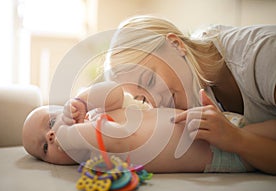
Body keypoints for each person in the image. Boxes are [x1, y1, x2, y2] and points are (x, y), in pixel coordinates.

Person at [102, 15, 276, 174]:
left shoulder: (261, 53)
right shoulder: (190, 85)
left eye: (150, 80)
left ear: (176, 45)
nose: (157, 101)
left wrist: (236, 139)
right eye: (143, 99)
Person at [22, 81, 254, 173]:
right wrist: (67, 134)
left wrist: (82, 100)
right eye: (44, 148)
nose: (51, 135)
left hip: (217, 121)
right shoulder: (98, 158)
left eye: (51, 122)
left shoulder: (97, 112)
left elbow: (114, 91)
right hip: (219, 151)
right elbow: (117, 137)